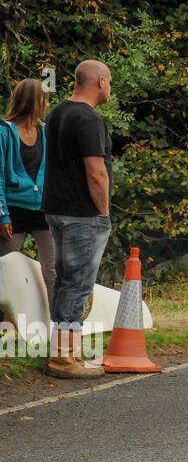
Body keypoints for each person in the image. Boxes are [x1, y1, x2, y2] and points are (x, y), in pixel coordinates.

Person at [42, 60, 114, 379]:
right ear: (99, 82)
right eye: (109, 82)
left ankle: (61, 350)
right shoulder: (89, 119)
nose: (110, 88)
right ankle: (64, 359)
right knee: (78, 284)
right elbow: (96, 172)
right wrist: (104, 212)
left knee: (64, 280)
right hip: (82, 213)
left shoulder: (58, 112)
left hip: (55, 208)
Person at [1, 79, 55, 303]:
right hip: (13, 210)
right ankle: (5, 324)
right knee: (5, 269)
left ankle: (59, 322)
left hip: (43, 208)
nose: (47, 104)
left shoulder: (45, 131)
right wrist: (2, 215)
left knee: (52, 269)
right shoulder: (4, 132)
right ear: (33, 101)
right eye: (45, 99)